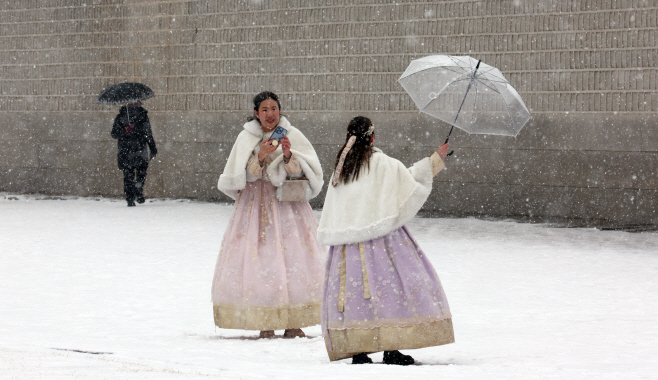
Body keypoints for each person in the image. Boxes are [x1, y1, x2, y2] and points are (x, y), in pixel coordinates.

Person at [317, 116, 455, 365]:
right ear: (371, 136)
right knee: (389, 291)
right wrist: (435, 159)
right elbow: (409, 183)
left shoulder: (342, 167)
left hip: (347, 248)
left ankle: (359, 349)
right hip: (381, 243)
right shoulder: (380, 163)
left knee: (355, 296)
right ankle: (391, 347)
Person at [212, 91, 326, 339]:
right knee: (260, 260)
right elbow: (242, 177)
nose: (270, 114)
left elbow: (301, 174)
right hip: (256, 205)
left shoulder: (292, 135)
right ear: (256, 113)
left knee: (293, 256)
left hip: (287, 206)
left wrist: (287, 156)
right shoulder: (246, 138)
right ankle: (265, 319)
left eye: (274, 108)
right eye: (264, 109)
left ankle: (294, 321)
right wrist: (260, 156)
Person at [110, 101, 157, 207]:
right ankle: (130, 198)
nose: (136, 105)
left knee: (141, 173)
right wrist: (125, 130)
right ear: (128, 104)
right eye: (134, 103)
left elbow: (148, 133)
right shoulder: (121, 117)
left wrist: (153, 148)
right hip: (126, 151)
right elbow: (114, 134)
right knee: (128, 176)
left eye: (137, 103)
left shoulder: (143, 116)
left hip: (140, 149)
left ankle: (138, 190)